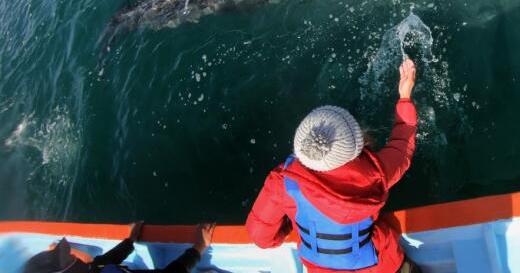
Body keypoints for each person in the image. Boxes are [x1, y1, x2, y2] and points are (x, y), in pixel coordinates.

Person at [246, 58, 419, 273]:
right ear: (356, 143)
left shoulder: (283, 183)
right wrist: (405, 97)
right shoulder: (376, 173)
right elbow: (402, 148)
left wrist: (290, 228)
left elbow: (260, 236)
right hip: (379, 265)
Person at [23, 222, 215, 273]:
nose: (73, 256)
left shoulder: (91, 270)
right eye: (68, 258)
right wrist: (199, 247)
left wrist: (130, 240)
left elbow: (105, 261)